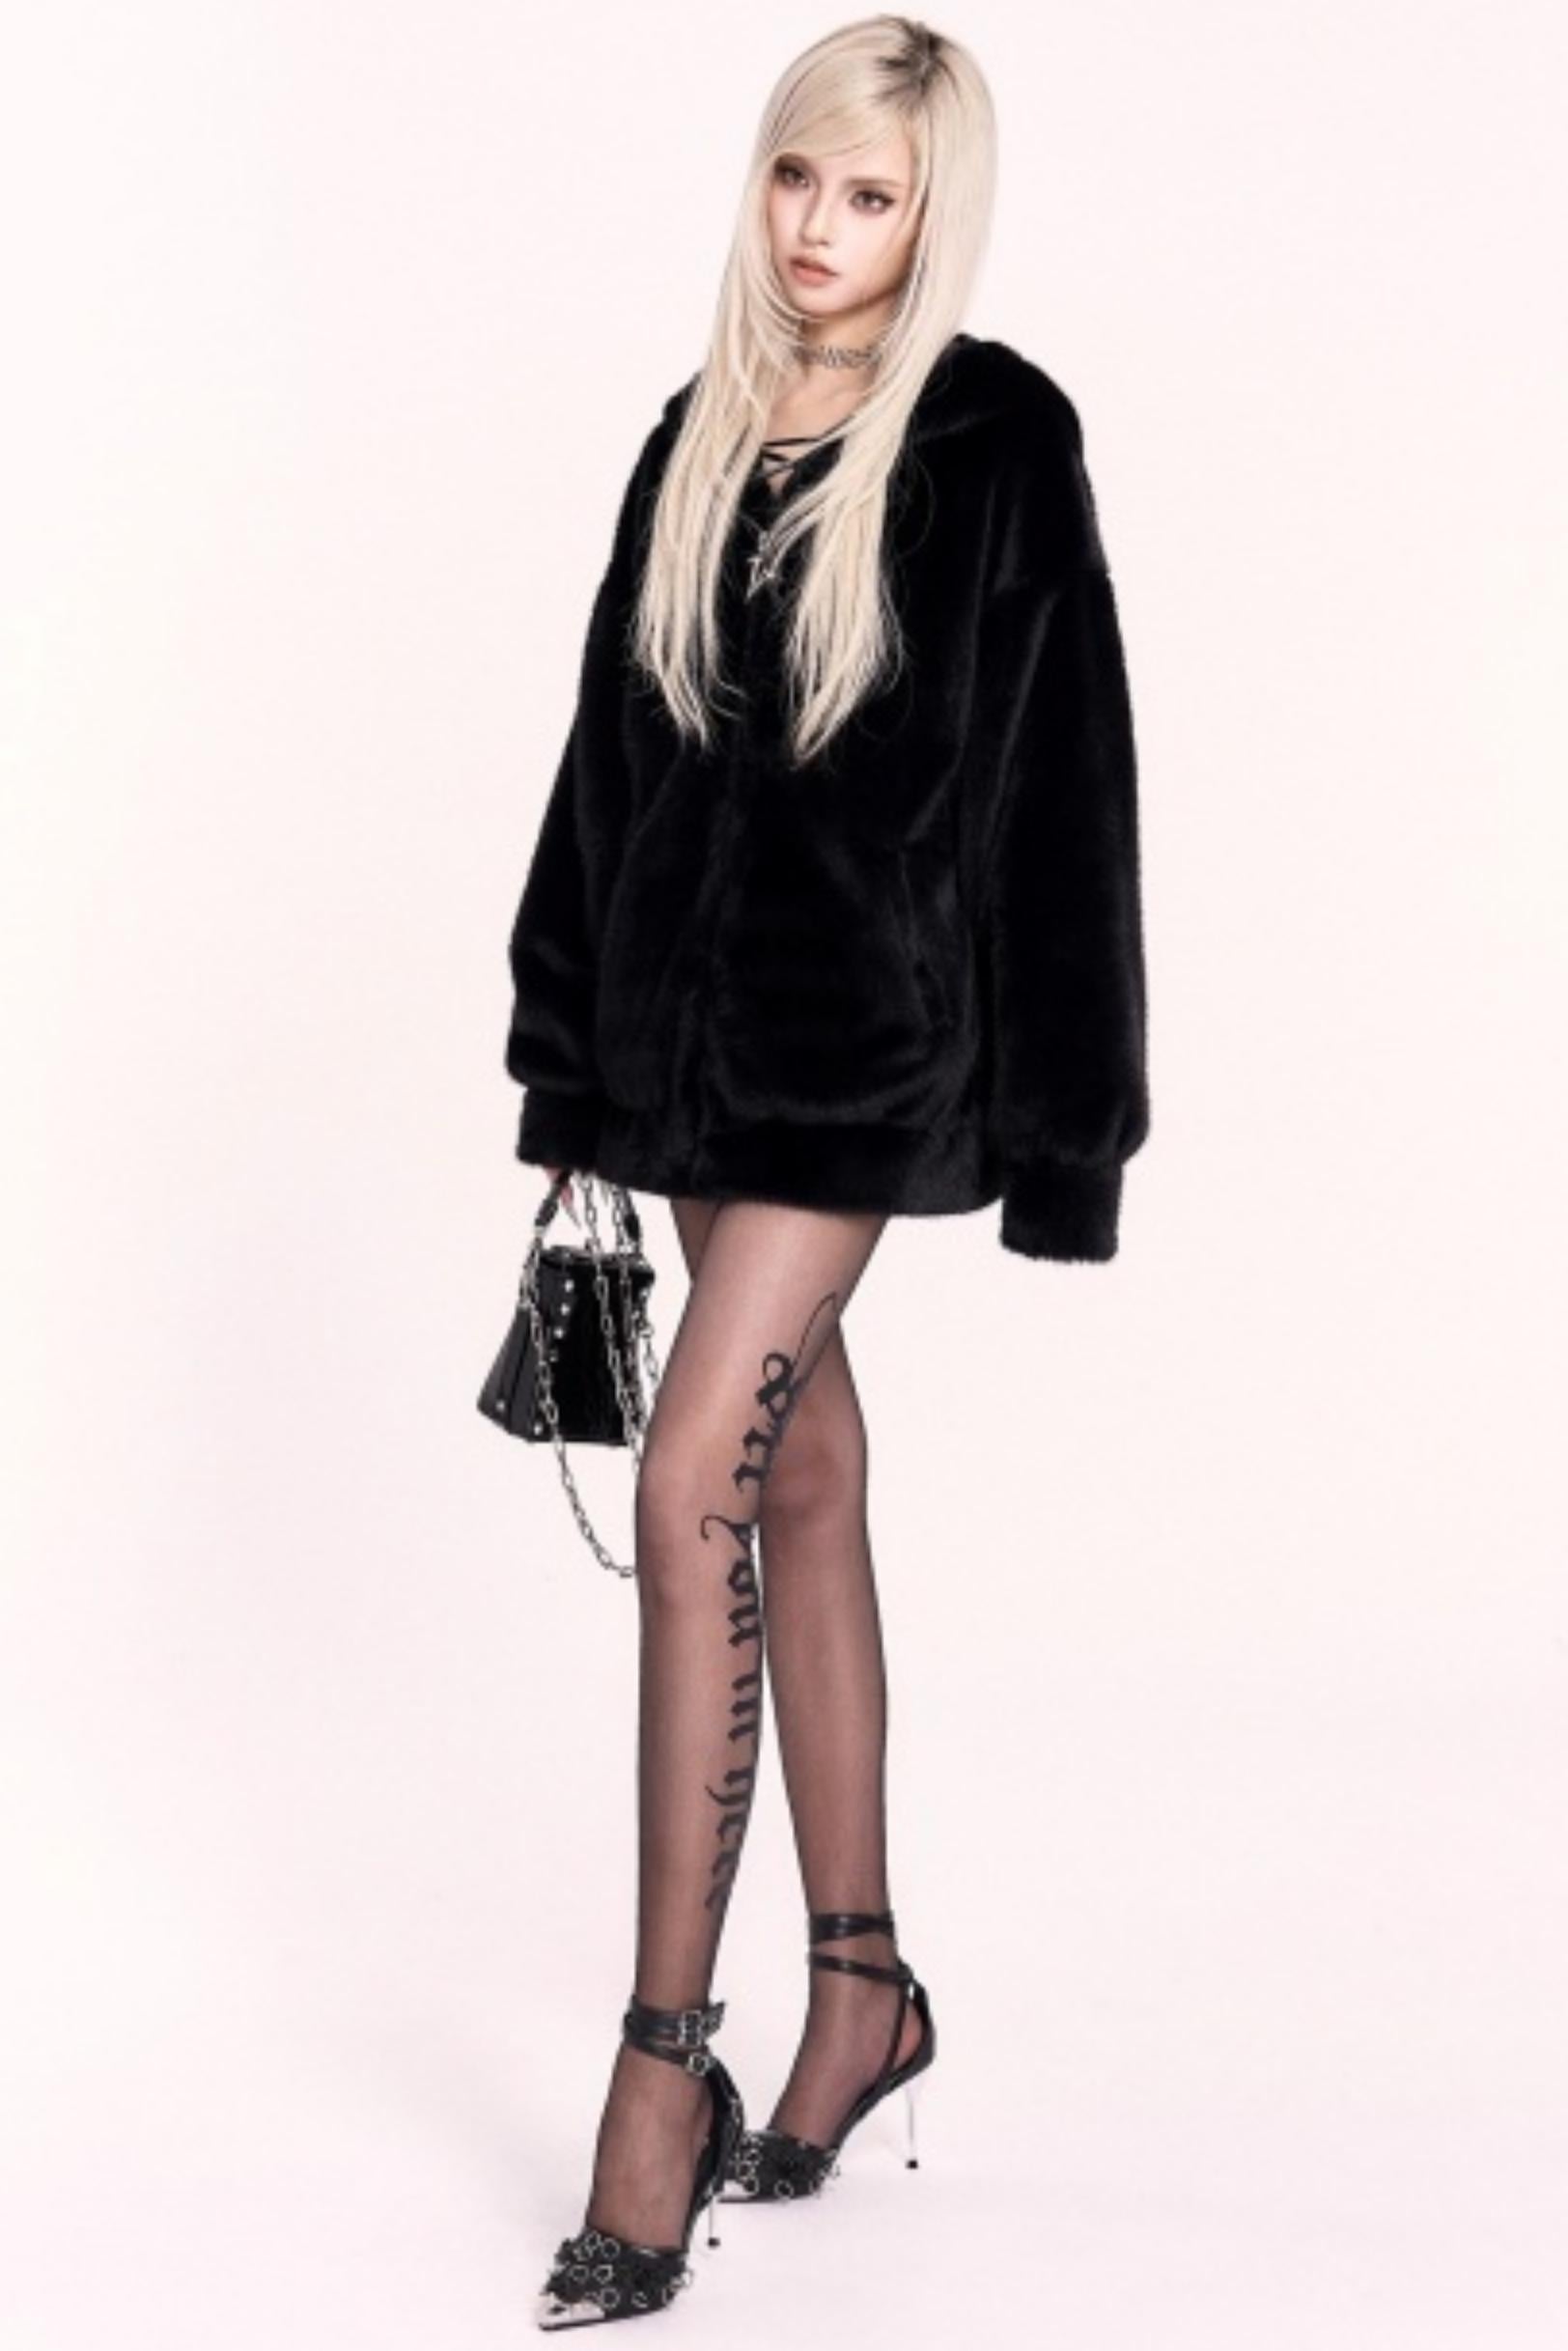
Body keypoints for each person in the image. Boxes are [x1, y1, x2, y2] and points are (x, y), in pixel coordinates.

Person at [507, 15, 1151, 2329]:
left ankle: (654, 2072)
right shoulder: (695, 433)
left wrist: (1067, 1134)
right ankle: (860, 1986)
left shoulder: (989, 440)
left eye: (867, 194)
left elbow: (1066, 796)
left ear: (928, 215)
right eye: (796, 177)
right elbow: (602, 779)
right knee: (792, 1477)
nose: (817, 227)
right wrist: (572, 1079)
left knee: (693, 1471)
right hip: (683, 1072)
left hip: (862, 1065)